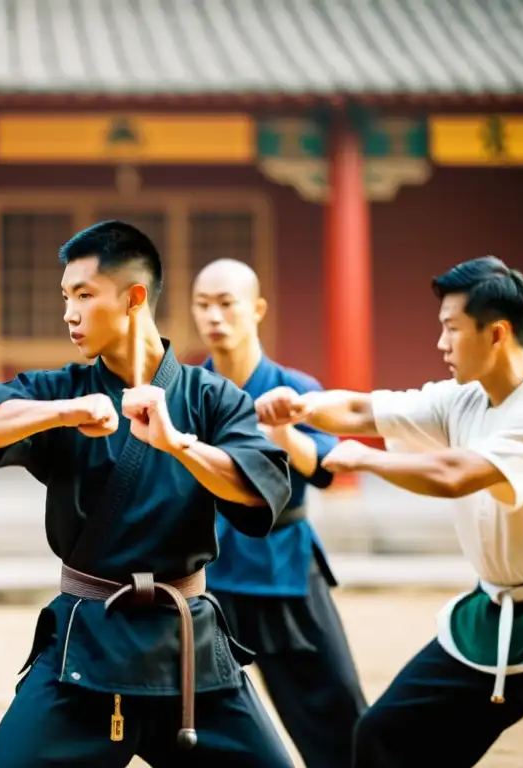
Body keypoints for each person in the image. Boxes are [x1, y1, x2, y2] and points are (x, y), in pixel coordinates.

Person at [257, 256, 523, 767]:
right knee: (383, 736)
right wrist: (302, 407)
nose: (441, 344)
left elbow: (456, 474)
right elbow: (365, 410)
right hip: (489, 619)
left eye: (451, 329)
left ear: (496, 334)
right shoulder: (462, 399)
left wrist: (363, 458)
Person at [0, 221, 296, 767]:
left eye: (84, 295)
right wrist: (66, 413)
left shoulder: (211, 399)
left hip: (188, 651)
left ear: (134, 298)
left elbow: (260, 493)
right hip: (86, 639)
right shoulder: (61, 391)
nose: (69, 312)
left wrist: (178, 444)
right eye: (66, 296)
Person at [191, 258, 366, 767]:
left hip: (284, 571)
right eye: (203, 305)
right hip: (210, 576)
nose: (214, 316)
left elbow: (326, 470)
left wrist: (284, 431)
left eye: (226, 304)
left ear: (257, 309)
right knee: (206, 720)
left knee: (335, 708)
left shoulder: (295, 388)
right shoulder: (184, 390)